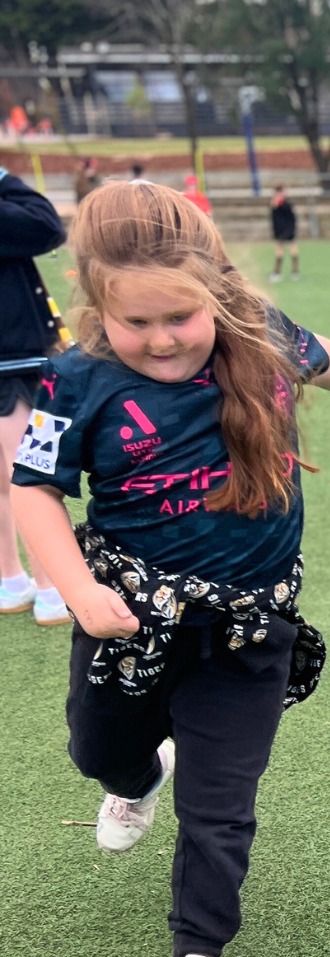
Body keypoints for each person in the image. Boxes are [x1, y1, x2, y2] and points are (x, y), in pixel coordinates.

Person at [10, 180, 330, 957]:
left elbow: (323, 355)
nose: (162, 341)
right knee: (98, 749)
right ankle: (135, 779)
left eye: (179, 319)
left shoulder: (258, 334)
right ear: (96, 306)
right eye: (137, 323)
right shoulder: (73, 382)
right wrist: (78, 591)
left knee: (219, 801)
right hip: (127, 619)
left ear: (216, 292)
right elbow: (32, 489)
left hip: (247, 627)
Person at [0, 166, 71, 625]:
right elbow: (46, 225)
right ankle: (49, 588)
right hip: (13, 354)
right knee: (30, 471)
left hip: (16, 353)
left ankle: (11, 581)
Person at [269, 185, 299, 282]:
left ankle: (294, 272)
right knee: (280, 250)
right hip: (280, 230)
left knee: (291, 249)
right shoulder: (276, 203)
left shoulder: (286, 205)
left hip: (287, 230)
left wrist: (290, 230)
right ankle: (278, 272)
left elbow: (291, 218)